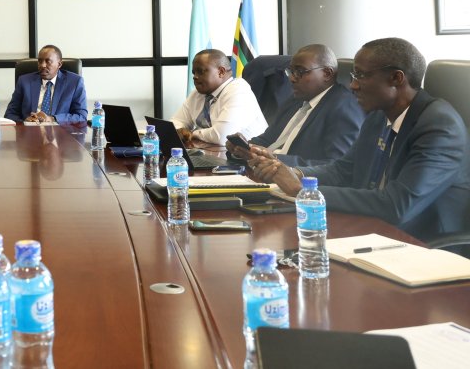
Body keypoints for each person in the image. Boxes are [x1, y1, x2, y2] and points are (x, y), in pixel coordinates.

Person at [248, 37, 470, 241]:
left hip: (424, 244)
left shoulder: (439, 127)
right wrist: (297, 173)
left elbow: (397, 206)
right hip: (372, 230)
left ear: (396, 78)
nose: (352, 85)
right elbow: (344, 169)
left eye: (361, 76)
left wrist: (303, 191)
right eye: (354, 76)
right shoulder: (378, 116)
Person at [232, 44, 364, 166]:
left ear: (327, 74)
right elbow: (267, 139)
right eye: (291, 71)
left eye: (300, 72)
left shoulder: (343, 109)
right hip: (260, 172)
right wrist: (244, 148)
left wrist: (274, 159)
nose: (292, 78)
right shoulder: (296, 99)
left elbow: (335, 166)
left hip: (299, 183)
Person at [171, 49, 267, 146]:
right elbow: (176, 123)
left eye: (200, 72)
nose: (195, 77)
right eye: (194, 72)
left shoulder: (238, 90)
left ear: (221, 72)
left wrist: (192, 133)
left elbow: (223, 136)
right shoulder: (198, 93)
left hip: (249, 156)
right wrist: (181, 131)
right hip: (213, 152)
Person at [4, 45, 88, 124]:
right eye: (40, 61)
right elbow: (10, 114)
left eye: (48, 61)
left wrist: (52, 119)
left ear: (59, 64)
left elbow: (81, 116)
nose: (43, 65)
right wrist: (25, 121)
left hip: (60, 134)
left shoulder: (74, 82)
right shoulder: (24, 81)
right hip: (30, 132)